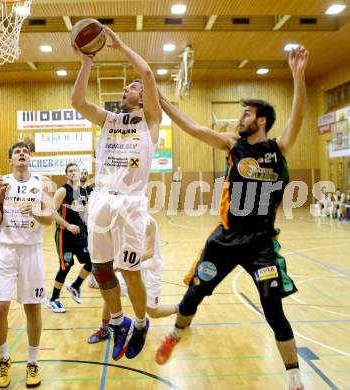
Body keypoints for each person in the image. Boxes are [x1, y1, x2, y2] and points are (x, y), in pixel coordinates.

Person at [155, 46, 309, 390]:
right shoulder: (231, 145)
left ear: (261, 121)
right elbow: (194, 128)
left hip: (261, 245)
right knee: (193, 297)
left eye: (246, 114)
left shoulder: (277, 149)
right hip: (225, 239)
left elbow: (297, 118)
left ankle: (295, 379)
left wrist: (298, 77)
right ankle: (175, 334)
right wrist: (164, 103)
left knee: (273, 308)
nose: (240, 119)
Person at [71, 26, 162, 360]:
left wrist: (121, 46)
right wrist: (86, 62)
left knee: (130, 271)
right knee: (101, 270)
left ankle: (140, 324)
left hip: (131, 202)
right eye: (125, 87)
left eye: (132, 87)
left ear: (144, 96)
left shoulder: (151, 120)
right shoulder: (108, 120)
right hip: (101, 199)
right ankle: (119, 322)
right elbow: (77, 101)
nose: (128, 89)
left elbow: (148, 74)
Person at [0, 142, 53, 388]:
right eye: (17, 152)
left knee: (33, 308)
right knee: (0, 307)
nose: (22, 154)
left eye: (25, 151)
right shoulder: (1, 182)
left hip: (31, 251)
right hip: (5, 250)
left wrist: (35, 213)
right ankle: (4, 359)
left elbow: (49, 219)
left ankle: (33, 362)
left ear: (30, 158)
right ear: (10, 160)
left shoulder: (42, 183)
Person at [88, 215, 177, 343]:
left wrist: (122, 263)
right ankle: (104, 329)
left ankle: (180, 309)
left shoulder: (147, 222)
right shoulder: (121, 222)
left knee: (153, 312)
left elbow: (149, 252)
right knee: (111, 292)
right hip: (131, 268)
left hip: (150, 270)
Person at [48, 163, 92, 313]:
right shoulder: (62, 191)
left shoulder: (84, 192)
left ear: (80, 173)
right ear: (66, 175)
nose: (73, 173)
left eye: (75, 170)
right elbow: (52, 212)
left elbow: (86, 213)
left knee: (92, 261)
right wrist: (67, 225)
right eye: (70, 171)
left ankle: (75, 285)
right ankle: (54, 299)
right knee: (65, 266)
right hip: (64, 236)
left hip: (81, 235)